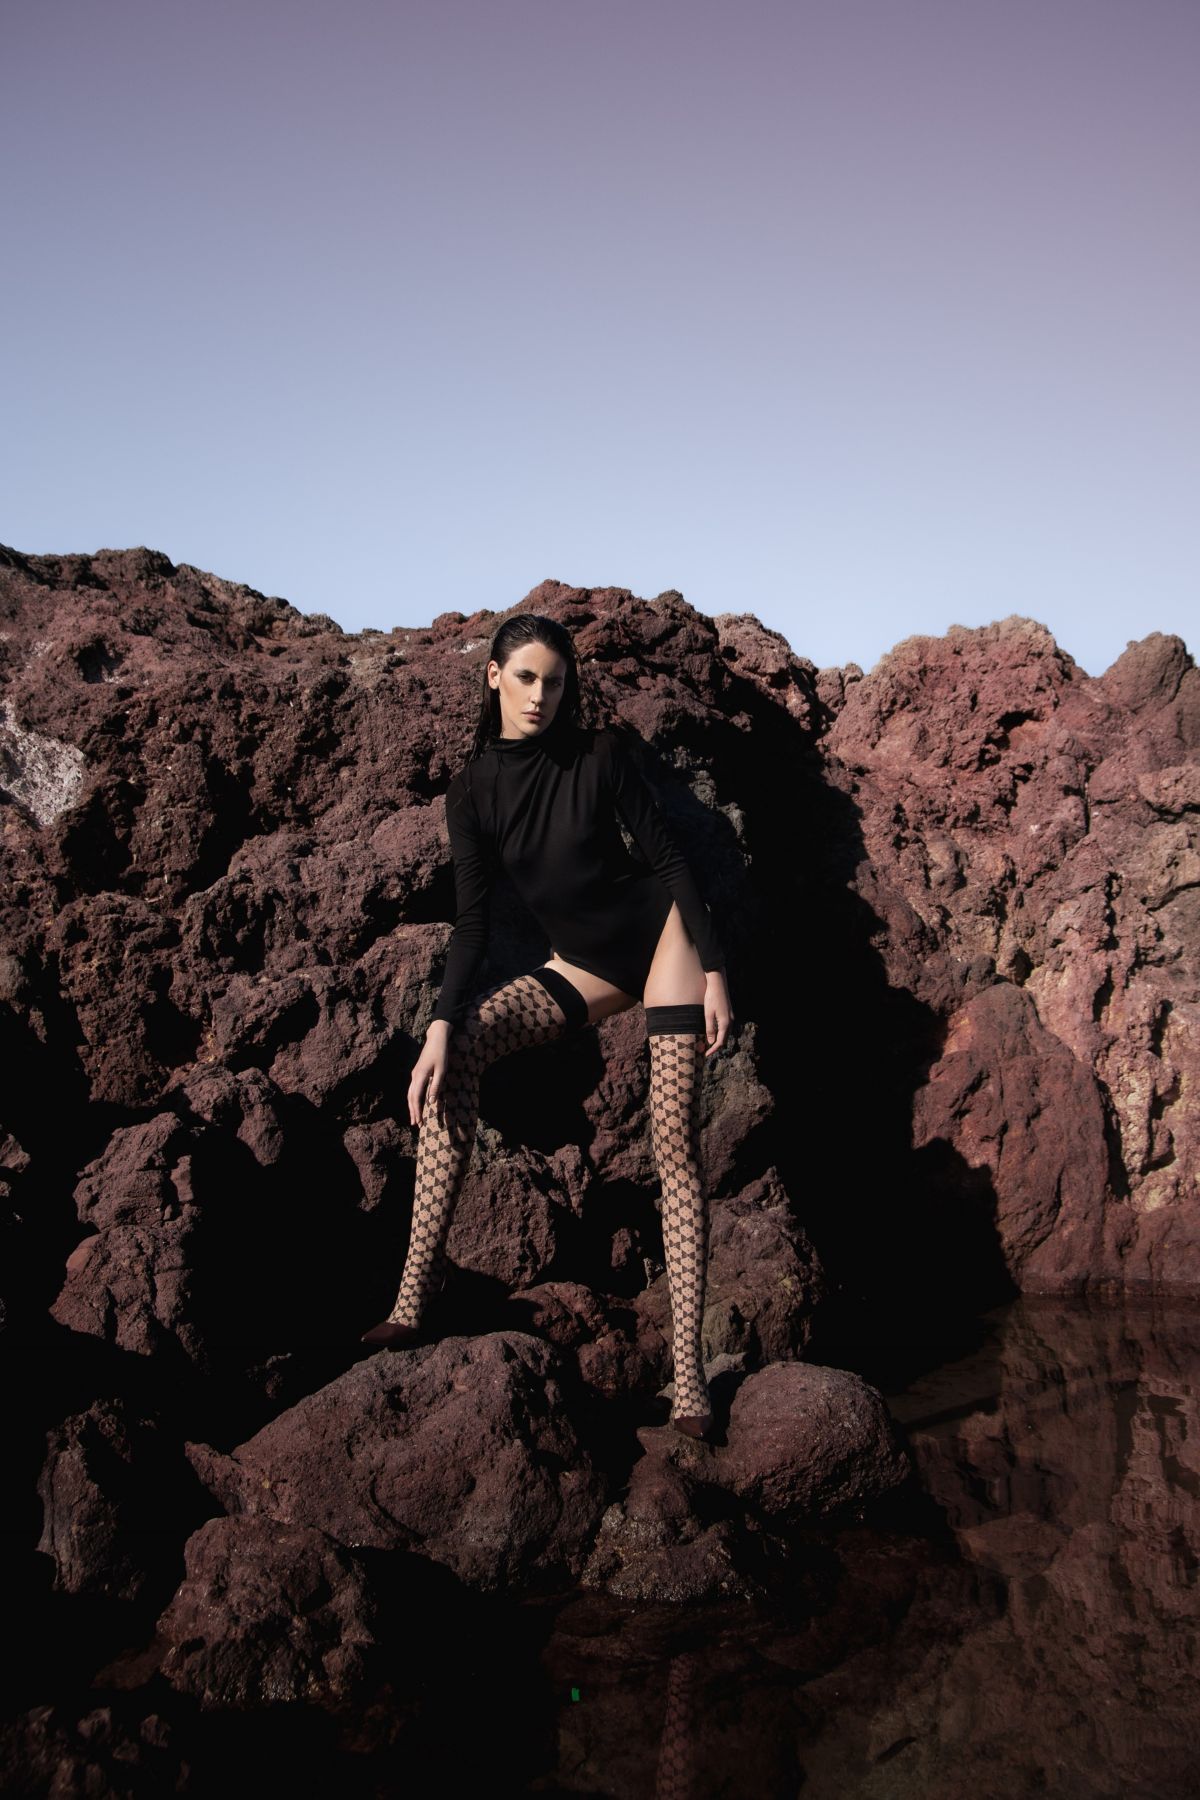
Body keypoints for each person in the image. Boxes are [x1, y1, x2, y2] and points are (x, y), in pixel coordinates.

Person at [361, 613, 734, 1439]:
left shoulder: (600, 755)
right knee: (463, 1049)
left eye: (555, 682)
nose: (540, 695)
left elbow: (669, 860)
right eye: (526, 677)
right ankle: (412, 1298)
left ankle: (689, 1385)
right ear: (494, 676)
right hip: (582, 966)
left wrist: (713, 970)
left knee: (672, 1143)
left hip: (662, 942)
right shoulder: (472, 792)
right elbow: (472, 926)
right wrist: (438, 1025)